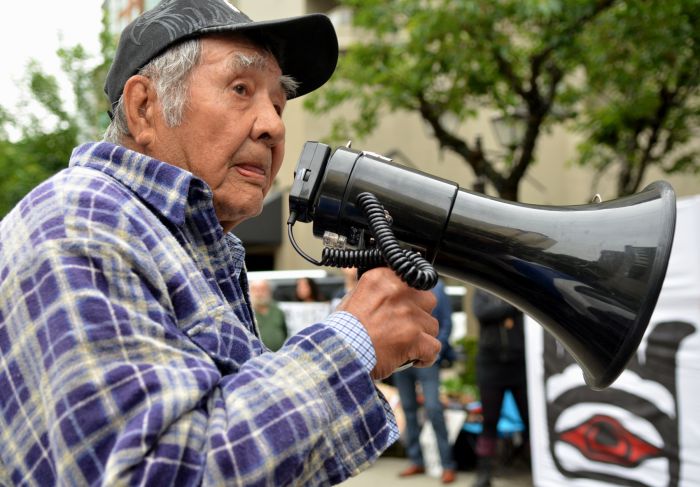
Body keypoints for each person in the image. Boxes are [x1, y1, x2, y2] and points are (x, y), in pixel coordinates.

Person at [0, 1, 441, 485]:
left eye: (278, 102)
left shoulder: (173, 239)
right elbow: (155, 473)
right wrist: (353, 342)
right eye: (240, 89)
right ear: (144, 108)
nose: (273, 126)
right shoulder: (81, 220)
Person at [394, 279, 458, 484]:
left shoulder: (437, 287)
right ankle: (416, 460)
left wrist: (437, 350)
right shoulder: (399, 285)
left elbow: (447, 322)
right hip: (402, 360)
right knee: (408, 410)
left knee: (433, 409)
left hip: (429, 359)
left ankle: (447, 465)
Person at [471, 288, 529, 487]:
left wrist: (501, 309)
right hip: (491, 366)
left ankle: (536, 466)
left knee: (530, 419)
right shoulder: (482, 291)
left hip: (519, 365)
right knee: (490, 421)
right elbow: (482, 313)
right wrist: (511, 305)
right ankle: (484, 472)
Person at [249, 279, 288, 351]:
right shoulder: (247, 312)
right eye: (256, 290)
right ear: (249, 292)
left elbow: (285, 332)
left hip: (278, 355)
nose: (259, 293)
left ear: (269, 291)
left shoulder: (277, 310)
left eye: (263, 289)